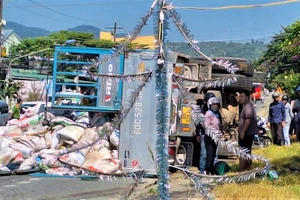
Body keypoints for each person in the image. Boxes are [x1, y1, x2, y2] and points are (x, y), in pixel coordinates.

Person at [195, 92, 215, 174]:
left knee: (214, 155)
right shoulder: (202, 110)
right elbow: (198, 123)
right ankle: (202, 171)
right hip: (205, 134)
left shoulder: (215, 110)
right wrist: (197, 134)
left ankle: (212, 170)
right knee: (204, 154)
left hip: (214, 135)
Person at [238, 90, 258, 171]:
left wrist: (243, 131)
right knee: (247, 152)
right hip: (248, 133)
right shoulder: (247, 106)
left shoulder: (248, 107)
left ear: (247, 97)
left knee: (243, 152)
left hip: (247, 134)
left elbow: (248, 120)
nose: (240, 98)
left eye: (242, 96)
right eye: (240, 96)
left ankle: (242, 171)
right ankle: (246, 170)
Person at [204, 97, 222, 175]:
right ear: (210, 105)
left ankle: (211, 170)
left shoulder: (217, 114)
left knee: (214, 155)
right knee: (210, 155)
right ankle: (208, 171)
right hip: (210, 137)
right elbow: (206, 125)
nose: (215, 106)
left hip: (216, 137)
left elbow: (219, 125)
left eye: (217, 105)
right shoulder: (209, 113)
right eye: (213, 105)